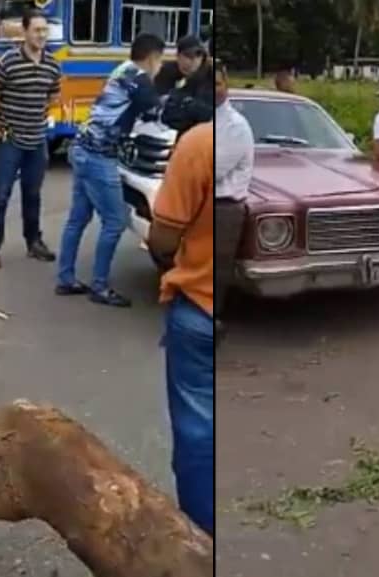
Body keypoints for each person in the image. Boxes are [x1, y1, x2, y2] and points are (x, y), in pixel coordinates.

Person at [55, 33, 165, 308]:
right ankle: (100, 286)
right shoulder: (139, 78)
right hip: (98, 156)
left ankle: (65, 278)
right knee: (115, 221)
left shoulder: (121, 70)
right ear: (152, 58)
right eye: (160, 60)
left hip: (81, 147)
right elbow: (158, 111)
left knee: (77, 218)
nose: (160, 66)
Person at [147, 121, 215, 536]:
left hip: (201, 307)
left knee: (198, 436)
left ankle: (201, 542)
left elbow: (163, 236)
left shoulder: (200, 144)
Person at [0, 8, 61, 268]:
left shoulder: (52, 64)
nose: (41, 35)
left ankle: (33, 242)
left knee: (33, 193)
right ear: (25, 31)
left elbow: (52, 95)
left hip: (37, 140)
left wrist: (37, 117)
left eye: (44, 30)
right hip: (10, 138)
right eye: (36, 30)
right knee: (1, 194)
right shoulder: (8, 61)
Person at [213, 61, 253, 342]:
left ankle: (213, 322)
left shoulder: (235, 126)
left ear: (226, 85)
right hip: (205, 202)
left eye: (217, 83)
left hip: (225, 206)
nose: (213, 89)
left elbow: (214, 170)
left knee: (218, 269)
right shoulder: (206, 117)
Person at [156, 35, 214, 136]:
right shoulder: (166, 73)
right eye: (188, 56)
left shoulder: (209, 77)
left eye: (198, 56)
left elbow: (206, 113)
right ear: (178, 56)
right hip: (166, 132)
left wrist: (186, 103)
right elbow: (161, 107)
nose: (193, 61)